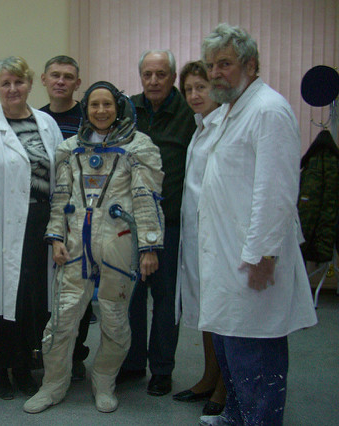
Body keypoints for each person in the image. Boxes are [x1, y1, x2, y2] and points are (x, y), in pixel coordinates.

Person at [197, 23, 317, 426]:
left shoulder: (268, 110)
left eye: (225, 63)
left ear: (251, 64)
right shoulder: (232, 109)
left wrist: (263, 253)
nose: (215, 72)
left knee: (255, 351)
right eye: (211, 65)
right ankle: (235, 415)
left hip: (254, 259)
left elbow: (277, 192)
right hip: (228, 256)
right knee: (231, 344)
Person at [24, 81, 164, 414]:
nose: (101, 111)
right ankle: (53, 385)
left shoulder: (139, 147)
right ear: (85, 108)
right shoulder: (71, 148)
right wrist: (56, 237)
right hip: (74, 247)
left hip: (118, 246)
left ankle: (104, 382)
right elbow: (61, 197)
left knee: (115, 322)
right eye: (94, 105)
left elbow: (147, 200)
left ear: (118, 107)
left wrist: (149, 247)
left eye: (107, 105)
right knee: (61, 320)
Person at [0, 56, 62, 400]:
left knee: (30, 301)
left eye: (19, 82)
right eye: (5, 83)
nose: (13, 89)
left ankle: (22, 367)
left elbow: (61, 177)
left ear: (30, 84)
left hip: (39, 226)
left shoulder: (47, 124)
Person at [119, 49, 196, 397]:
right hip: (130, 220)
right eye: (147, 74)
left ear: (173, 77)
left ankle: (162, 369)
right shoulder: (127, 109)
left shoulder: (189, 113)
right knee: (131, 296)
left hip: (172, 222)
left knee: (166, 300)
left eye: (161, 74)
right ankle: (132, 361)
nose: (153, 81)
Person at [171, 61, 226, 416]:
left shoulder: (225, 126)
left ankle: (224, 387)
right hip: (196, 235)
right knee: (206, 312)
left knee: (222, 314)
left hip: (218, 239)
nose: (194, 95)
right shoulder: (200, 126)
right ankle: (208, 377)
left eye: (200, 87)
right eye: (189, 89)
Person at [39, 55, 94, 382]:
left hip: (81, 217)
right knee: (45, 290)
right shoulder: (35, 118)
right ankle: (47, 352)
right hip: (42, 217)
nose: (61, 81)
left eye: (68, 76)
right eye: (55, 75)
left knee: (78, 290)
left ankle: (75, 353)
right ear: (44, 80)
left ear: (78, 82)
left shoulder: (91, 119)